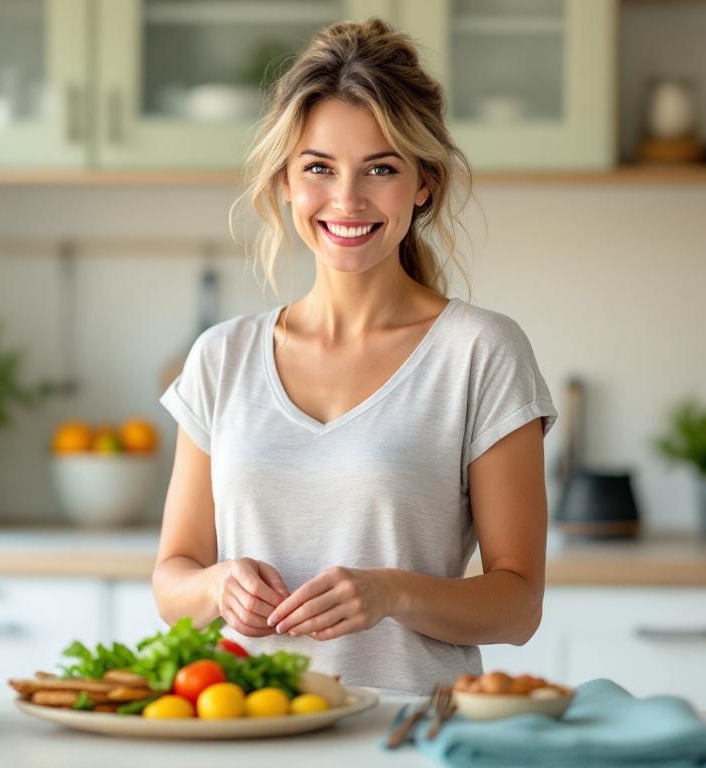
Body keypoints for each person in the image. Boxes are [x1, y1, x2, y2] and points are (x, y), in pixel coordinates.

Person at [154, 18, 558, 694]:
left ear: (423, 184)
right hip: (245, 726)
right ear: (285, 182)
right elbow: (172, 579)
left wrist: (393, 594)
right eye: (318, 168)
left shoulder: (481, 353)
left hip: (406, 737)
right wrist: (219, 586)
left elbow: (518, 606)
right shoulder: (221, 357)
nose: (347, 200)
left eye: (381, 169)